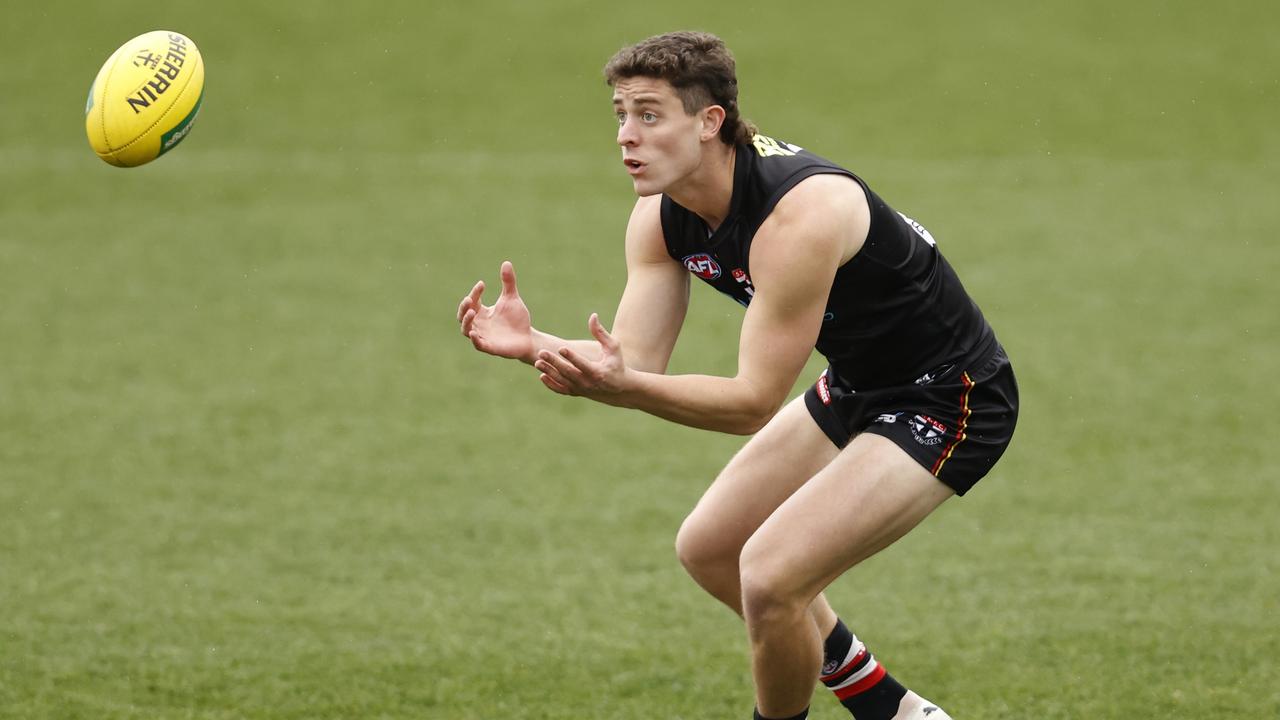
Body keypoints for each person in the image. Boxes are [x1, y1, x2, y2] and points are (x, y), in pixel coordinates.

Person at [455, 30, 1018, 720]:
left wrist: (623, 388)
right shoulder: (661, 216)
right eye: (620, 115)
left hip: (951, 396)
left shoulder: (798, 216)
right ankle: (890, 709)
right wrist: (534, 342)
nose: (627, 136)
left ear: (710, 121)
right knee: (710, 549)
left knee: (772, 578)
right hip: (858, 383)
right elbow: (631, 362)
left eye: (649, 115)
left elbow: (751, 401)